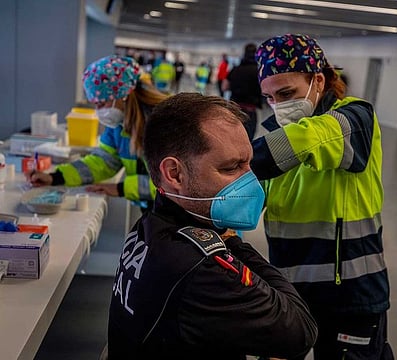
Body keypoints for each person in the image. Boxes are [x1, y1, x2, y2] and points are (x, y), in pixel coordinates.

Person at [107, 92, 318, 359]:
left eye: (249, 164)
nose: (251, 180)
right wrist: (231, 241)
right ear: (174, 174)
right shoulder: (200, 269)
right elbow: (300, 330)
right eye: (231, 168)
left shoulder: (147, 226)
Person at [251, 34, 394, 360]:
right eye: (269, 97)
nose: (278, 105)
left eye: (286, 93)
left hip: (352, 296)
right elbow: (252, 199)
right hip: (290, 294)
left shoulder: (355, 118)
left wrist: (239, 159)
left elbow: (309, 140)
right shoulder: (278, 136)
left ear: (318, 80)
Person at [26, 55, 168, 210]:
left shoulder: (163, 125)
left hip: (180, 216)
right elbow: (103, 162)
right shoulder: (119, 125)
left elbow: (170, 184)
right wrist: (54, 177)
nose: (98, 111)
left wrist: (121, 188)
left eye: (102, 103)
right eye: (95, 105)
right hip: (156, 208)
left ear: (123, 94)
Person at [223, 43, 263, 141]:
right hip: (250, 111)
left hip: (234, 109)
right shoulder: (259, 72)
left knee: (231, 140)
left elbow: (224, 87)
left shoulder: (235, 69)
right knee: (247, 142)